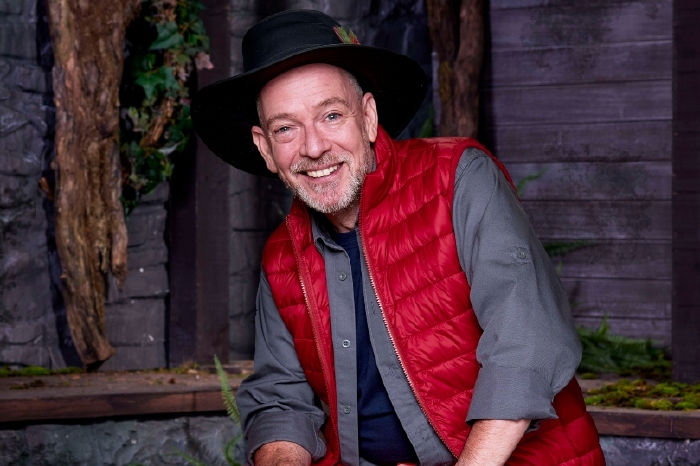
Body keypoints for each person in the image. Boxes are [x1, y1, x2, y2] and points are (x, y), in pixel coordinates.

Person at [192, 9, 605, 466]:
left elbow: (526, 345)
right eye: (286, 128)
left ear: (369, 118)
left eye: (331, 115)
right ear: (265, 148)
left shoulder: (459, 179)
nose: (313, 147)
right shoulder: (281, 254)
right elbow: (279, 399)